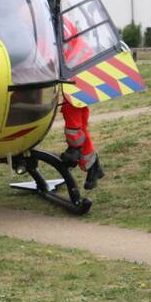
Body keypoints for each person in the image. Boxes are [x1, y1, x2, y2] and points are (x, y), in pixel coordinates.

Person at [59, 16, 104, 189]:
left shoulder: (42, 25)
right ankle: (92, 166)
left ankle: (75, 151)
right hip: (85, 68)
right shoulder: (59, 19)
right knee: (80, 119)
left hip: (76, 72)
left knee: (73, 117)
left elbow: (45, 56)